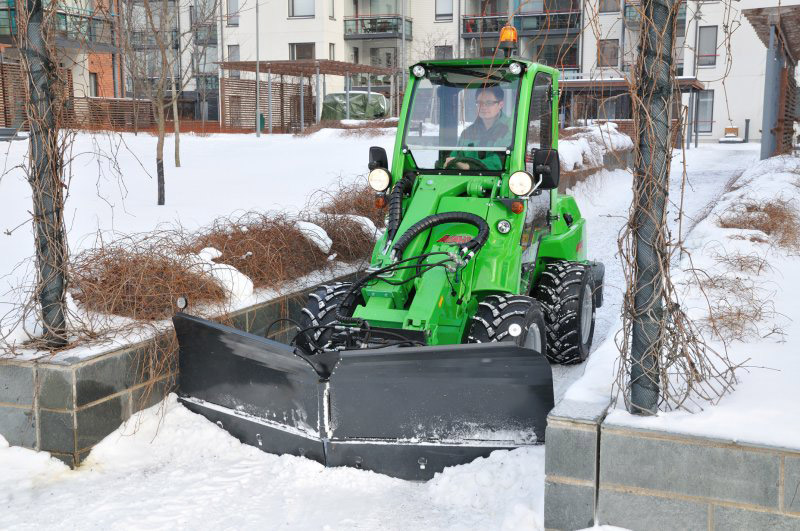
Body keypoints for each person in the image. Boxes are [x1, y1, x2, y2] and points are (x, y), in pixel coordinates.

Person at [444, 85, 512, 170]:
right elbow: (456, 156)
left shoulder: (510, 130)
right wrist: (451, 162)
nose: (483, 107)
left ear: (500, 104)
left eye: (489, 103)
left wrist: (470, 167)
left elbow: (502, 161)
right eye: (479, 103)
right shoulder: (468, 132)